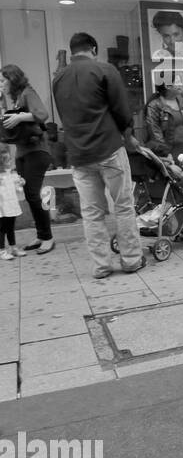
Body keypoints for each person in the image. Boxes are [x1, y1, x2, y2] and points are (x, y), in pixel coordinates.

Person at [51, 32, 144, 278]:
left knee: (92, 213)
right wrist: (127, 133)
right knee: (124, 206)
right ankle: (131, 260)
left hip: (79, 155)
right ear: (93, 48)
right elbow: (122, 111)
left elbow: (63, 115)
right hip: (109, 148)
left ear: (72, 51)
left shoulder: (58, 78)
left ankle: (101, 266)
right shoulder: (105, 70)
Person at [0, 64, 55, 253]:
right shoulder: (16, 98)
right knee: (31, 196)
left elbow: (42, 114)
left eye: (2, 81)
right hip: (23, 152)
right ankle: (41, 235)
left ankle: (48, 237)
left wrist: (20, 118)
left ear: (12, 79)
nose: (0, 84)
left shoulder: (27, 92)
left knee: (33, 194)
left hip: (37, 152)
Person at [0, 146, 26, 259]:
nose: (10, 162)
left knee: (10, 227)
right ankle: (1, 251)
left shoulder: (11, 174)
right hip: (1, 206)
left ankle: (13, 247)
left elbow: (17, 187)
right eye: (8, 160)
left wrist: (20, 183)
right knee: (1, 229)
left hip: (11, 205)